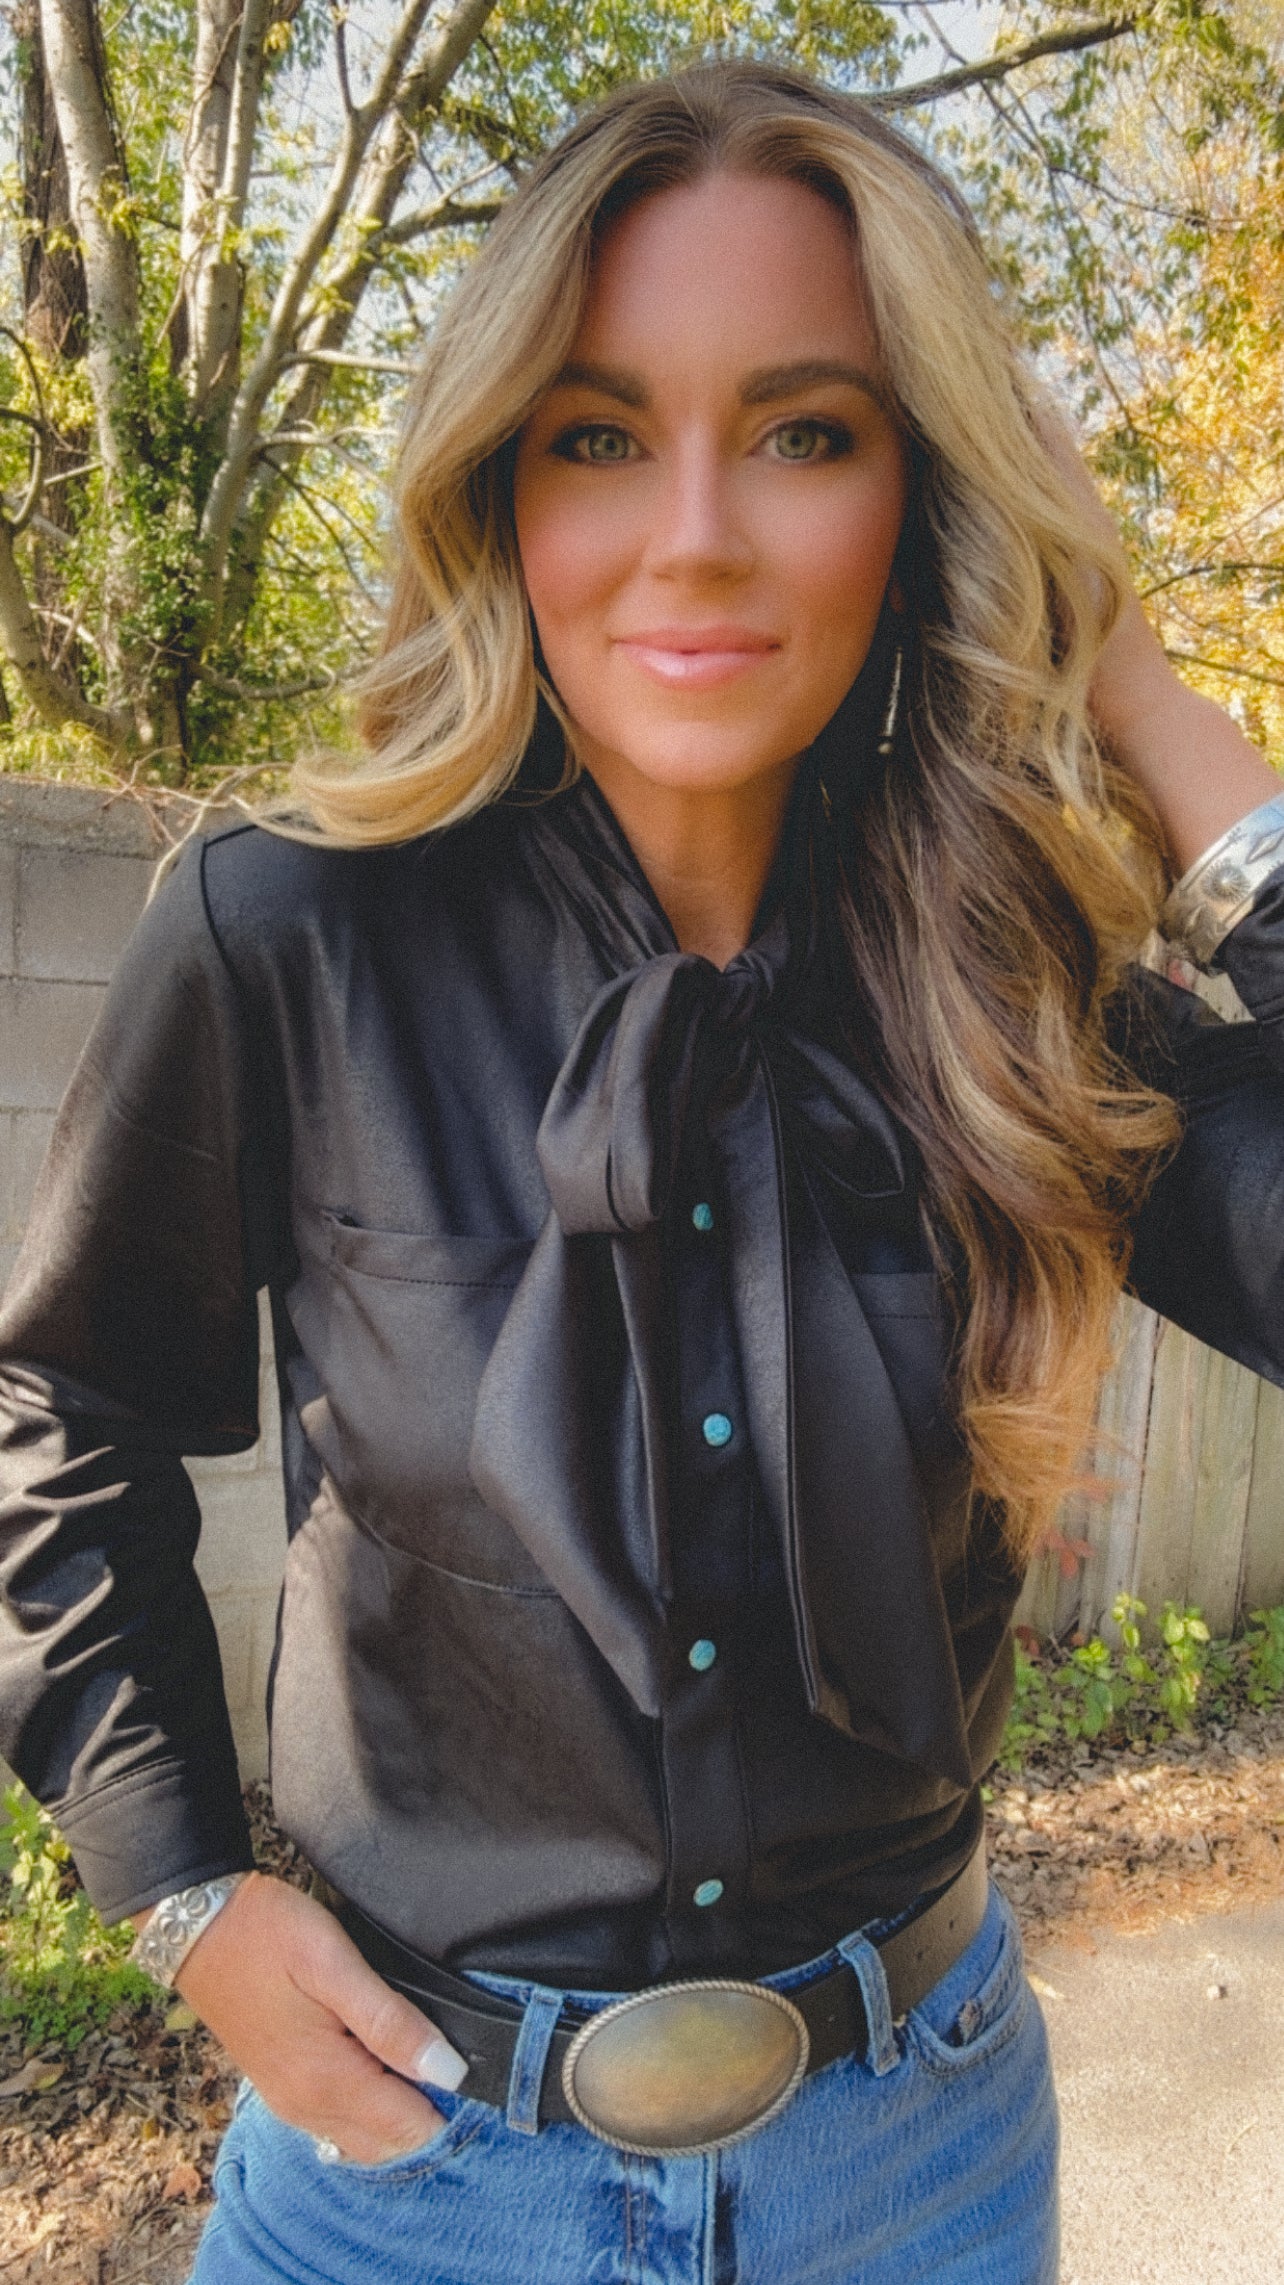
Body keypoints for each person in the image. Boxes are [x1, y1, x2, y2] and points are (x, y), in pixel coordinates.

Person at [1, 59, 1282, 2285]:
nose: (696, 533)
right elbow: (59, 1407)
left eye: (807, 432)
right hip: (407, 2184)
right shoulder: (290, 934)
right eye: (599, 435)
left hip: (917, 2174)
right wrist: (179, 1888)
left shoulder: (1017, 982)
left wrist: (1157, 716)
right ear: (502, 481)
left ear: (925, 492)